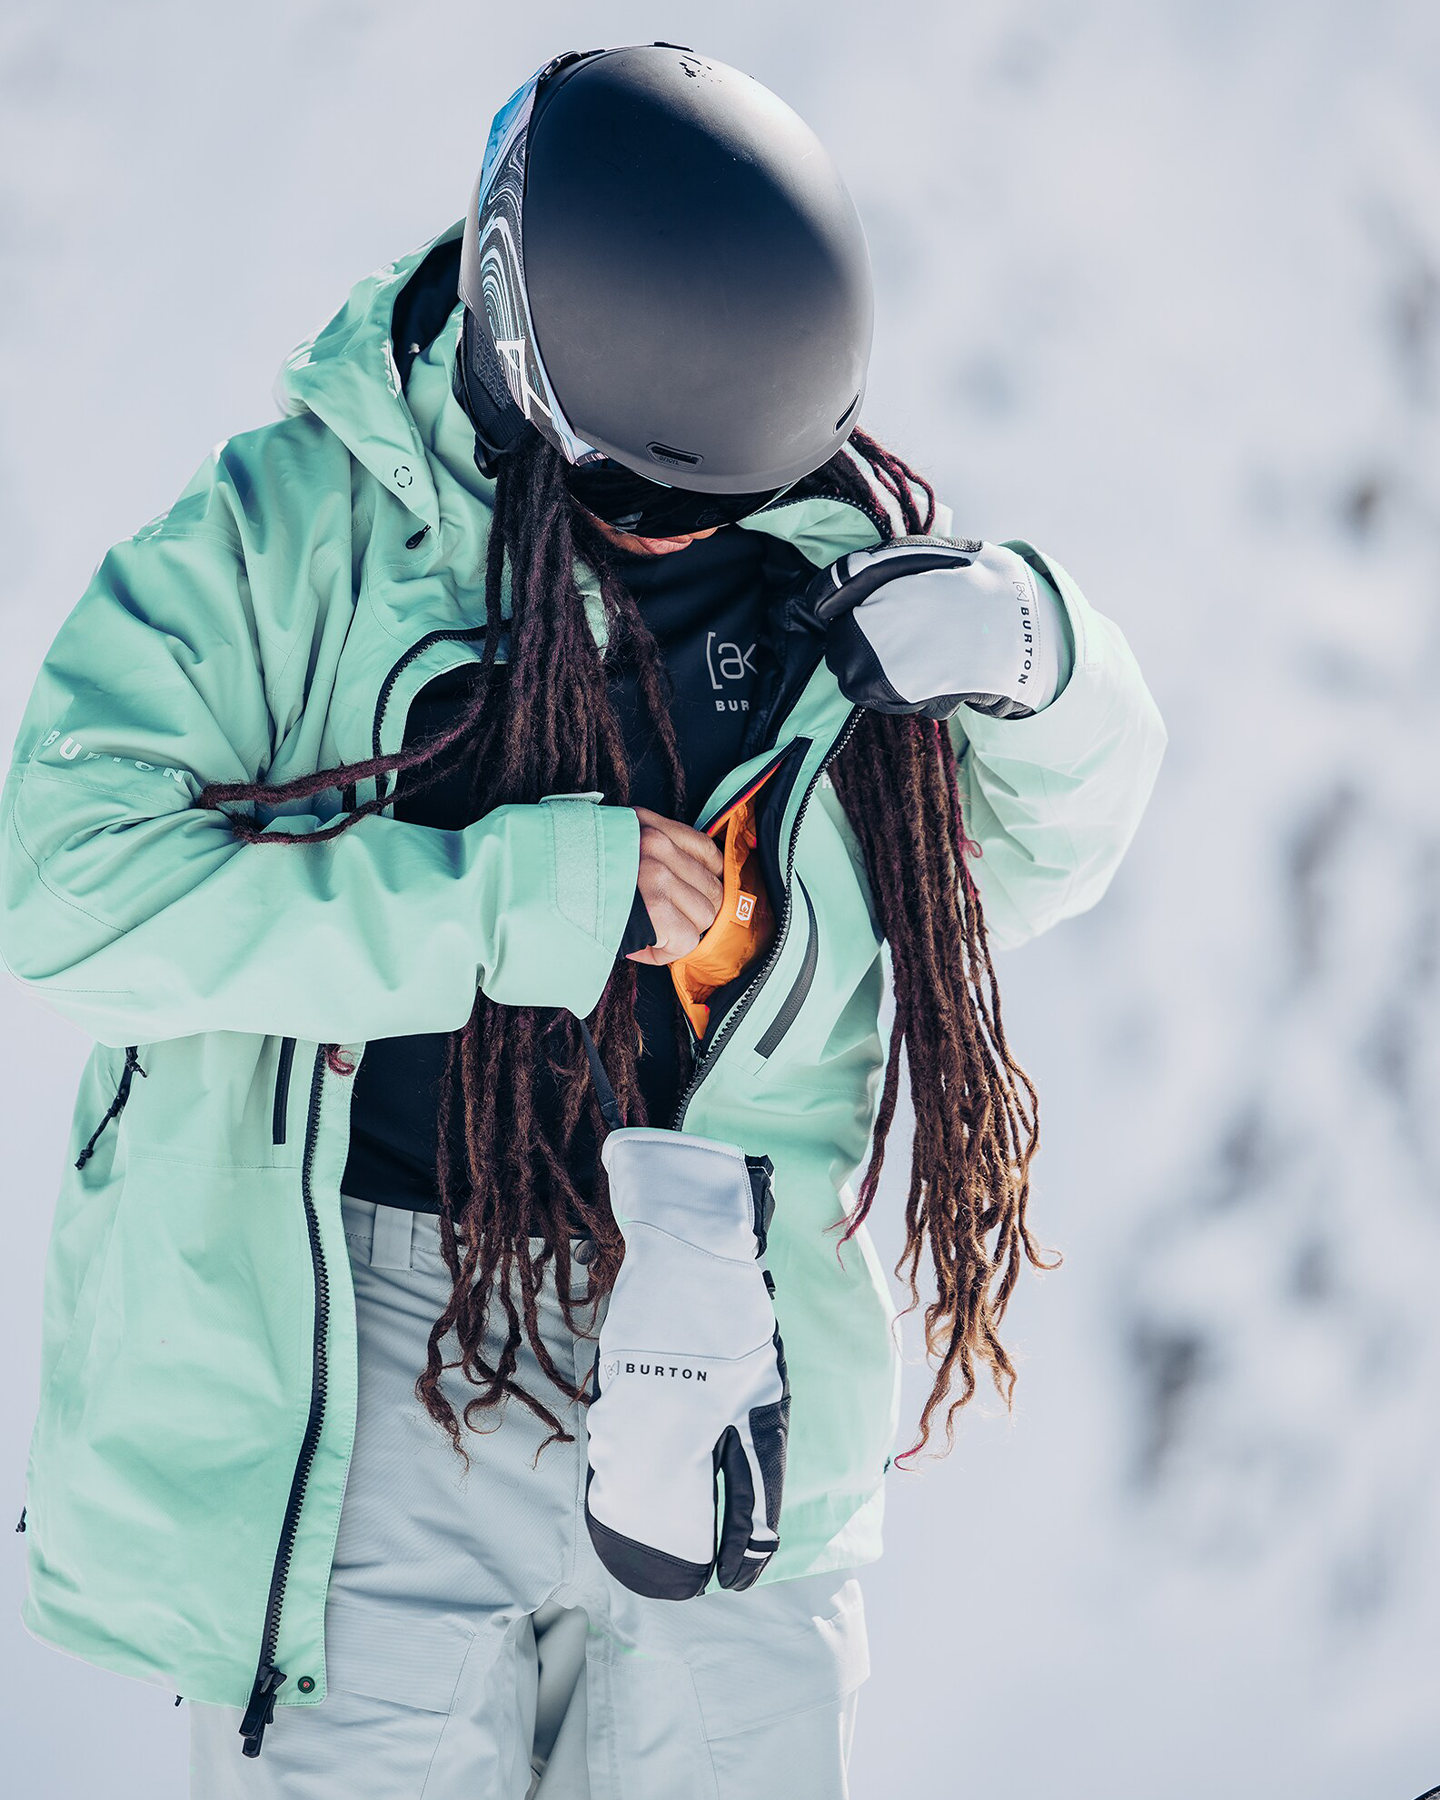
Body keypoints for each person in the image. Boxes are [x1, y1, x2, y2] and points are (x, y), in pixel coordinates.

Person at [0, 41, 1166, 1800]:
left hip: (731, 1333)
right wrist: (517, 899)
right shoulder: (295, 542)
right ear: (522, 376)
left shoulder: (830, 551)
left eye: (734, 498)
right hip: (364, 1352)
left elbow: (1034, 856)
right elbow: (66, 887)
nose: (693, 537)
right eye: (645, 497)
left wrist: (1037, 657)